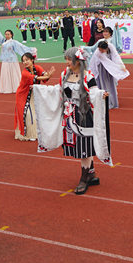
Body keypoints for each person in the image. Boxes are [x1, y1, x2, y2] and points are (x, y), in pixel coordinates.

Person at [32, 47, 111, 195]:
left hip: (83, 117)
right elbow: (59, 91)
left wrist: (102, 95)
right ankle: (91, 173)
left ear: (77, 60)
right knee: (79, 147)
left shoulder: (88, 76)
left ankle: (84, 179)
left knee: (84, 149)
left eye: (69, 59)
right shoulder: (64, 75)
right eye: (66, 59)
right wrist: (40, 89)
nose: (66, 62)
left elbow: (93, 93)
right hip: (69, 116)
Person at [14, 52, 54, 141]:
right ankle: (27, 133)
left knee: (36, 113)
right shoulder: (25, 73)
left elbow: (44, 77)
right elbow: (38, 78)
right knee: (27, 114)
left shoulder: (38, 68)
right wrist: (48, 75)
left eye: (27, 60)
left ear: (32, 60)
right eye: (23, 61)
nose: (25, 62)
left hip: (34, 93)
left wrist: (48, 75)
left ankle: (35, 132)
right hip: (23, 94)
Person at [0, 21, 35, 94]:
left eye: (8, 34)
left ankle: (16, 87)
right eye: (6, 34)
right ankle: (7, 88)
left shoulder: (14, 42)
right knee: (6, 74)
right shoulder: (3, 41)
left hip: (12, 60)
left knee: (14, 74)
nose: (7, 35)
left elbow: (21, 47)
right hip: (5, 60)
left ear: (11, 35)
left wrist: (31, 51)